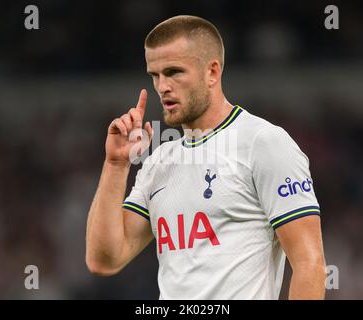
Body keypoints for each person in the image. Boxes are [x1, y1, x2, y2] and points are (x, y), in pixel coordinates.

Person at [86, 15, 326, 300]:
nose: (162, 86)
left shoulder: (263, 143)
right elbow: (104, 260)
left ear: (212, 72)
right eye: (155, 75)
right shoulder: (159, 160)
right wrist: (115, 165)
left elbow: (310, 265)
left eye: (174, 72)